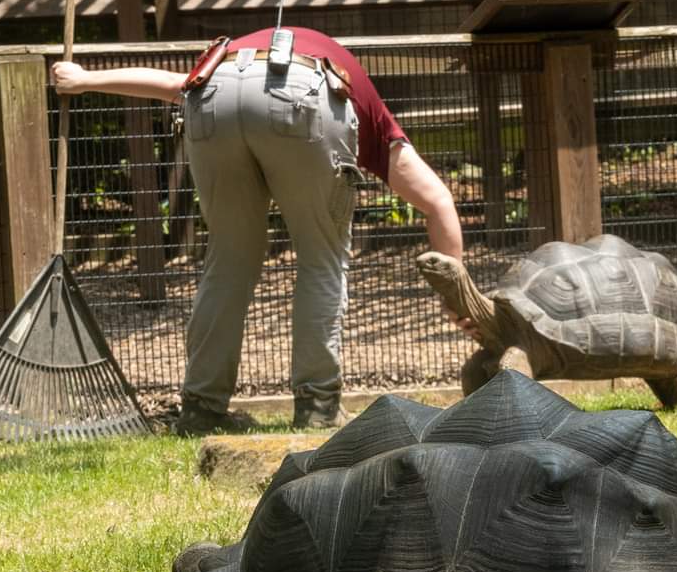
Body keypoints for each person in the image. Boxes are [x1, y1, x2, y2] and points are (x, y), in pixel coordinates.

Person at [52, 26, 467, 435]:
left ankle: (201, 410)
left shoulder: (246, 54)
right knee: (322, 257)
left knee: (228, 260)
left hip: (214, 87)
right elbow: (438, 202)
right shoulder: (374, 118)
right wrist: (458, 301)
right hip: (305, 93)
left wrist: (86, 80)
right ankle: (317, 408)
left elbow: (176, 85)